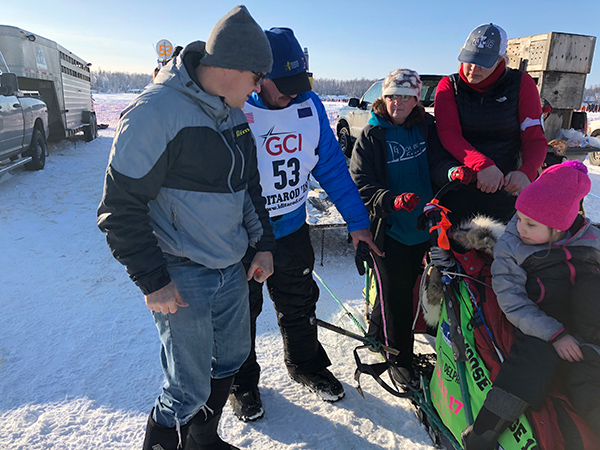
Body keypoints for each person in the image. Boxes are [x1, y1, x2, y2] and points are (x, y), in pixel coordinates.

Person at [97, 6, 276, 450]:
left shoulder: (233, 113)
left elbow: (249, 187)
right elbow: (119, 207)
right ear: (234, 68)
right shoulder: (156, 112)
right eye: (258, 77)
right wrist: (153, 281)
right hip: (181, 272)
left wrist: (263, 245)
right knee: (186, 389)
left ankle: (202, 441)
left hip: (230, 264)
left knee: (232, 358)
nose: (260, 88)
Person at [228, 27, 381, 422]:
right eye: (285, 84)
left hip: (293, 229)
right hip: (240, 236)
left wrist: (358, 223)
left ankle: (305, 365)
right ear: (260, 75)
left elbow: (331, 167)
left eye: (301, 83)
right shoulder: (233, 105)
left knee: (299, 303)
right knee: (240, 313)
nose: (293, 93)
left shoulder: (309, 106)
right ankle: (242, 382)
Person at [462, 161, 600, 449]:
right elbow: (512, 301)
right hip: (538, 321)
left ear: (560, 226)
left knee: (586, 376)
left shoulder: (590, 240)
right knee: (533, 364)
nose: (519, 227)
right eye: (520, 217)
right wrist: (556, 335)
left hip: (586, 325)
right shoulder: (513, 247)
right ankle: (483, 431)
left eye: (531, 224)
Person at [350, 68, 445, 383]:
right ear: (383, 98)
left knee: (405, 288)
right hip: (389, 230)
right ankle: (399, 360)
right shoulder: (372, 134)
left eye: (406, 97)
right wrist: (389, 200)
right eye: (392, 96)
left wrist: (454, 172)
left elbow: (438, 162)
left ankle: (376, 332)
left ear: (416, 100)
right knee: (397, 297)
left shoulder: (427, 127)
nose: (398, 103)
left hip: (425, 225)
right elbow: (361, 182)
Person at [433, 23, 547, 225]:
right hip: (458, 187)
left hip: (505, 189)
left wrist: (526, 172)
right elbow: (448, 133)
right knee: (455, 250)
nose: (473, 68)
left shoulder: (521, 84)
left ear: (500, 60)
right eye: (469, 60)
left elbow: (534, 138)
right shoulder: (449, 86)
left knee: (501, 250)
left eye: (483, 62)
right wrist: (481, 165)